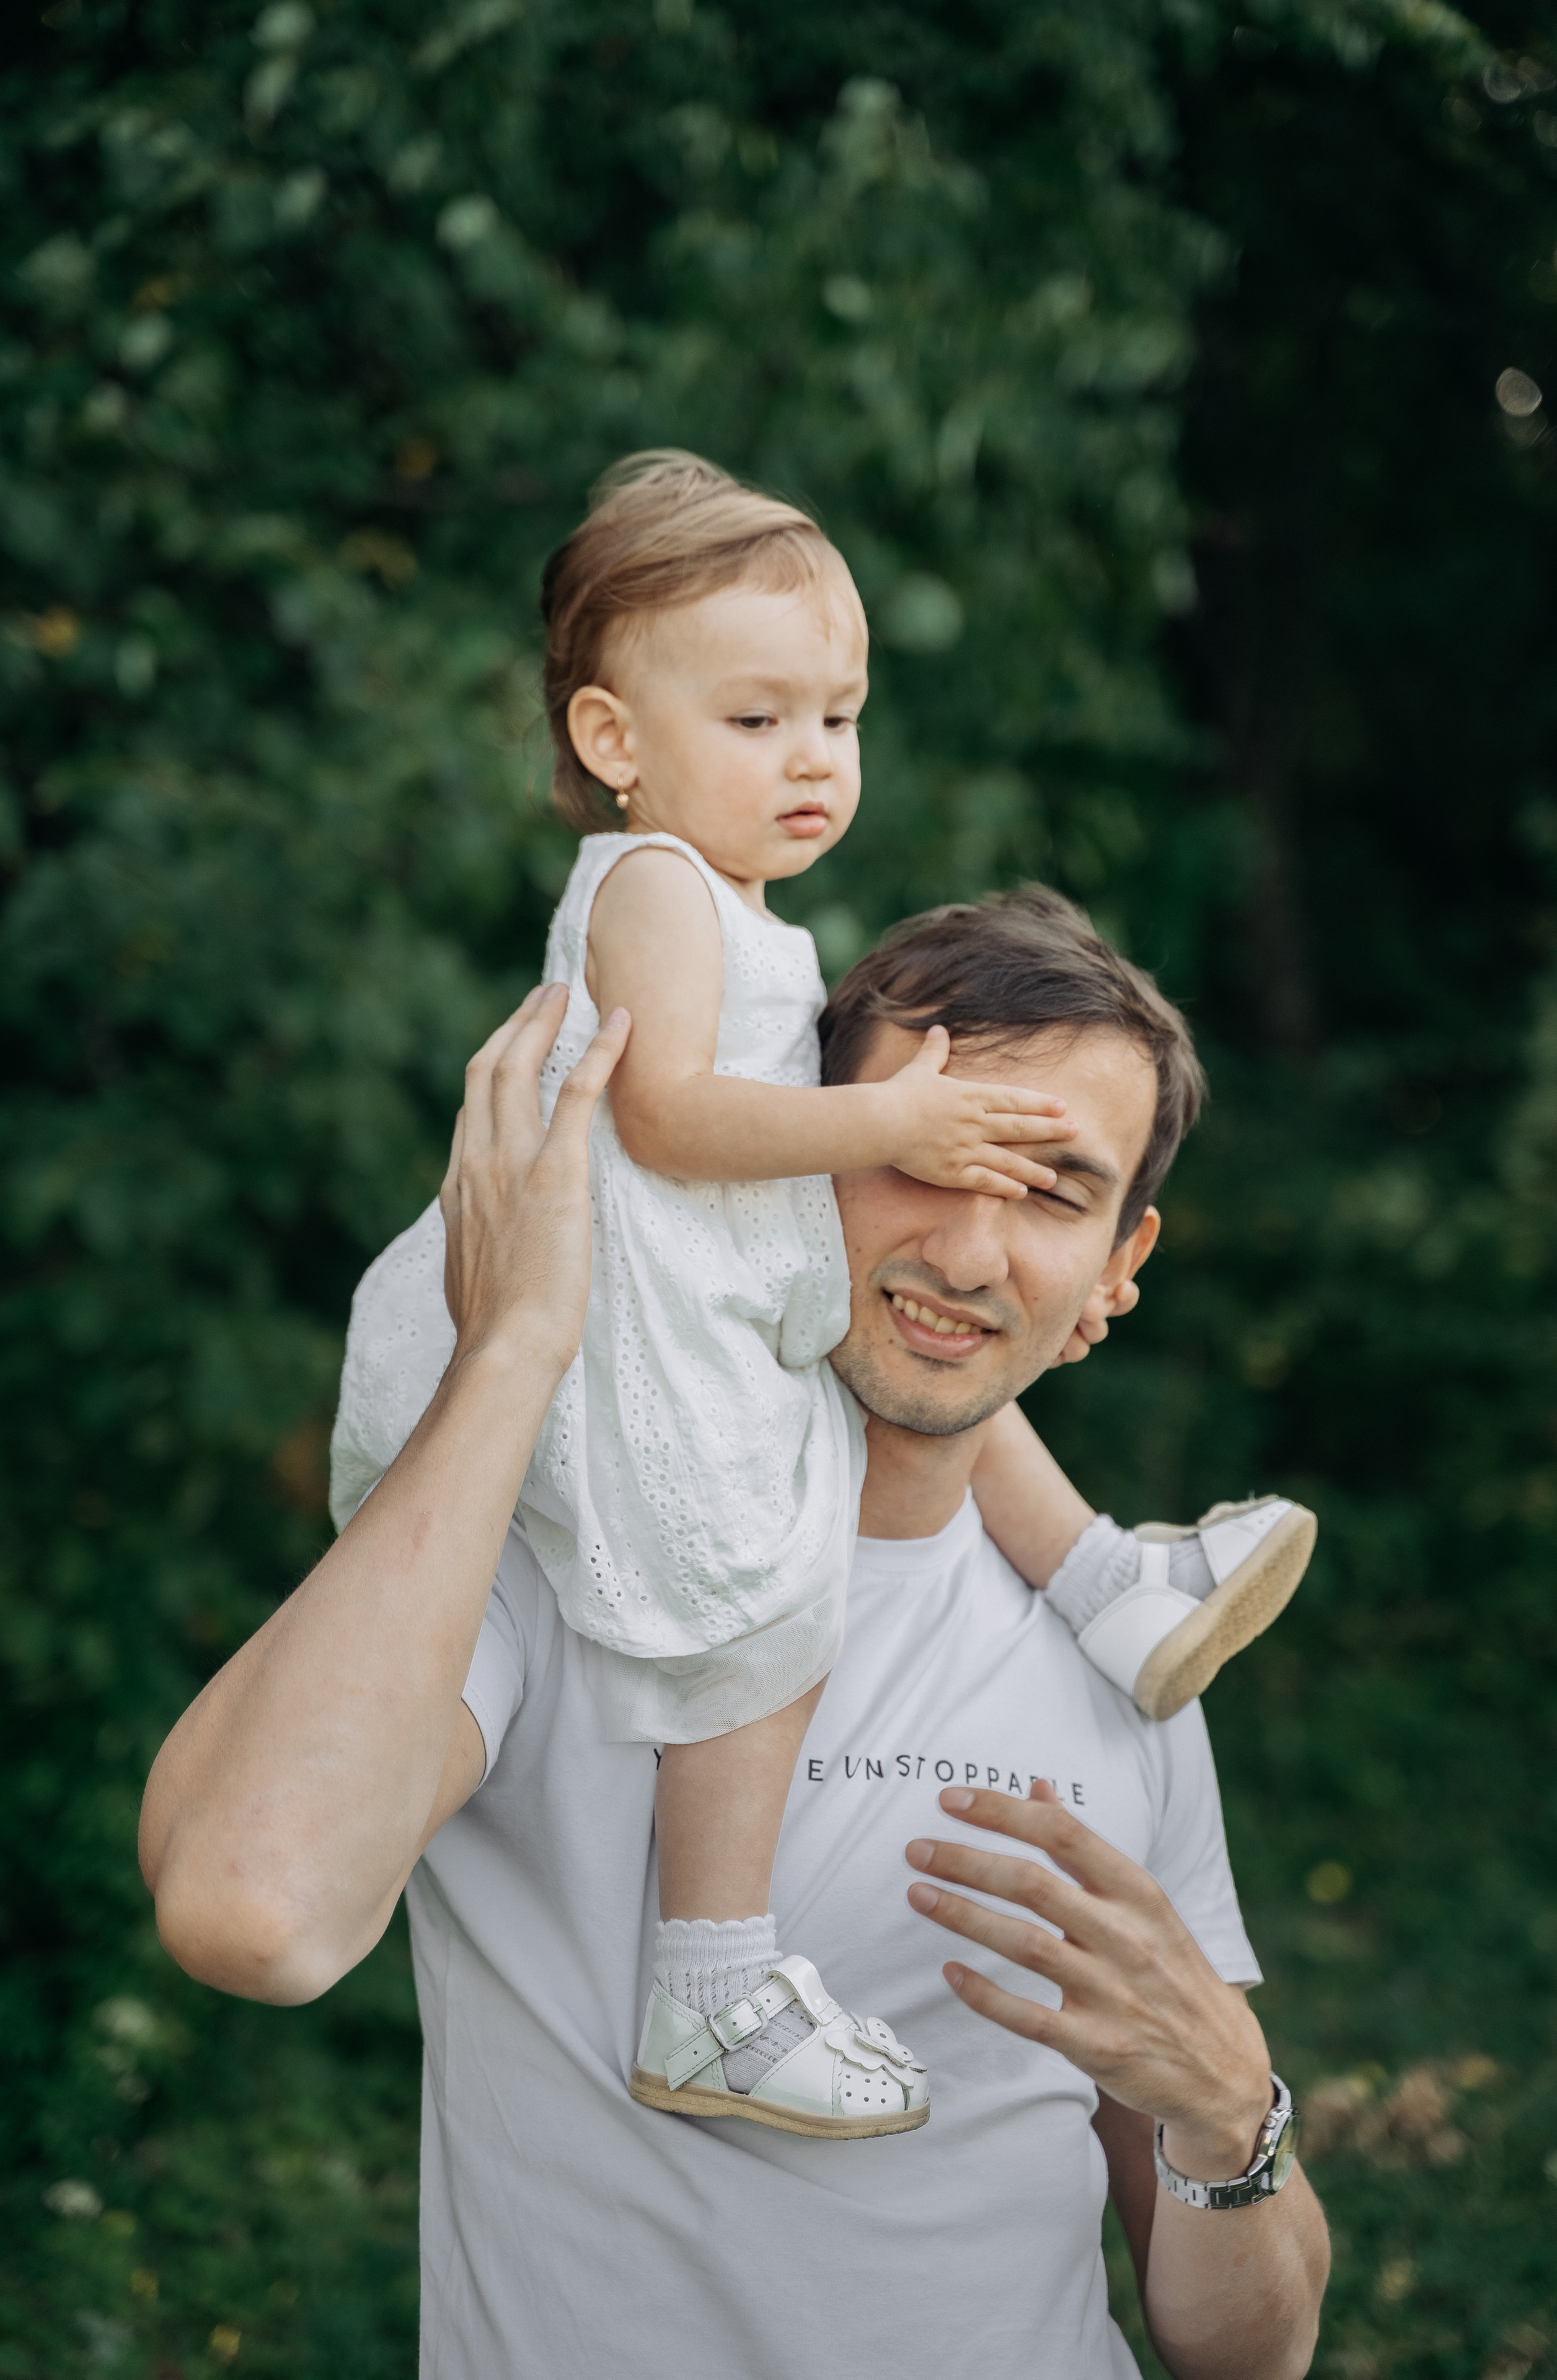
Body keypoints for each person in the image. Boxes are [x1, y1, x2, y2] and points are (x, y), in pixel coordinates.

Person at [139, 888, 1331, 2379]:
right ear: (787, 1146)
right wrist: (514, 1344)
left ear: (1117, 1262)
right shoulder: (552, 1573)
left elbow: (1250, 2355)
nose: (968, 1252)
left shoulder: (1123, 1673)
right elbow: (248, 1908)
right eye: (913, 1148)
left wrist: (1234, 2114)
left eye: (1047, 1190)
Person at [325, 450, 1315, 2138]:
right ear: (613, 743)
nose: (813, 761)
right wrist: (895, 1117)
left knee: (891, 1340)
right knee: (779, 1595)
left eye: (838, 719)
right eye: (759, 719)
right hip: (605, 1322)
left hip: (696, 1299)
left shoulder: (733, 909)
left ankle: (1109, 1595)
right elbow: (672, 1117)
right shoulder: (651, 890)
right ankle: (711, 1980)